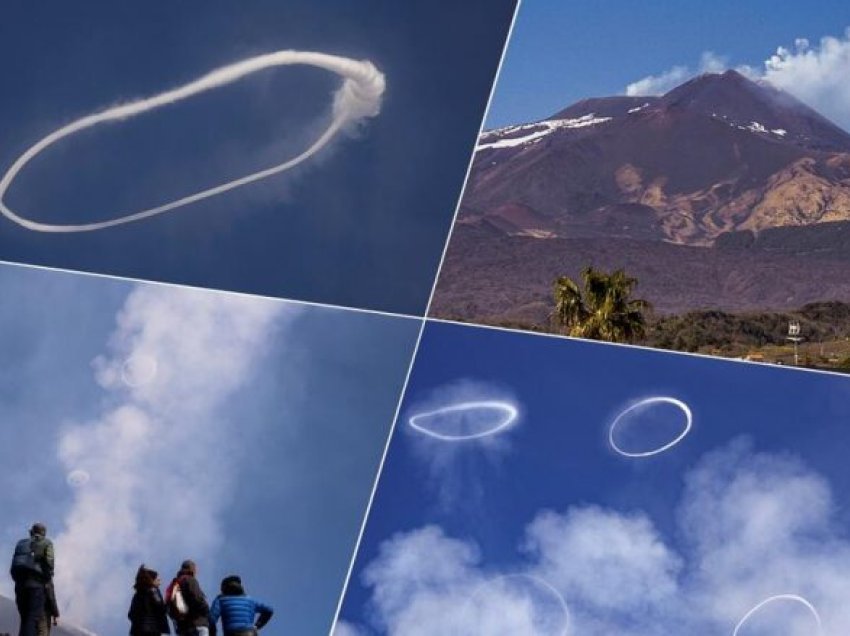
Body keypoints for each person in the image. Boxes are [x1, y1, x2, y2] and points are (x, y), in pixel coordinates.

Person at [9, 523, 54, 636]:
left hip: (19, 585)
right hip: (35, 585)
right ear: (43, 533)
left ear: (32, 532)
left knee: (24, 618)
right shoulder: (46, 543)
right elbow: (50, 563)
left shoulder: (21, 542)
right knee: (33, 617)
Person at [165, 560, 213, 636]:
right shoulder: (190, 579)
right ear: (191, 568)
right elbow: (197, 598)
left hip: (182, 627)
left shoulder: (175, 583)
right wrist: (206, 611)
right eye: (195, 568)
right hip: (197, 624)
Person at [128, 565, 171, 635]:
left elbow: (130, 614)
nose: (159, 580)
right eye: (157, 578)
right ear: (151, 580)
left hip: (137, 630)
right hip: (152, 629)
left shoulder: (137, 595)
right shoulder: (153, 591)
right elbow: (161, 608)